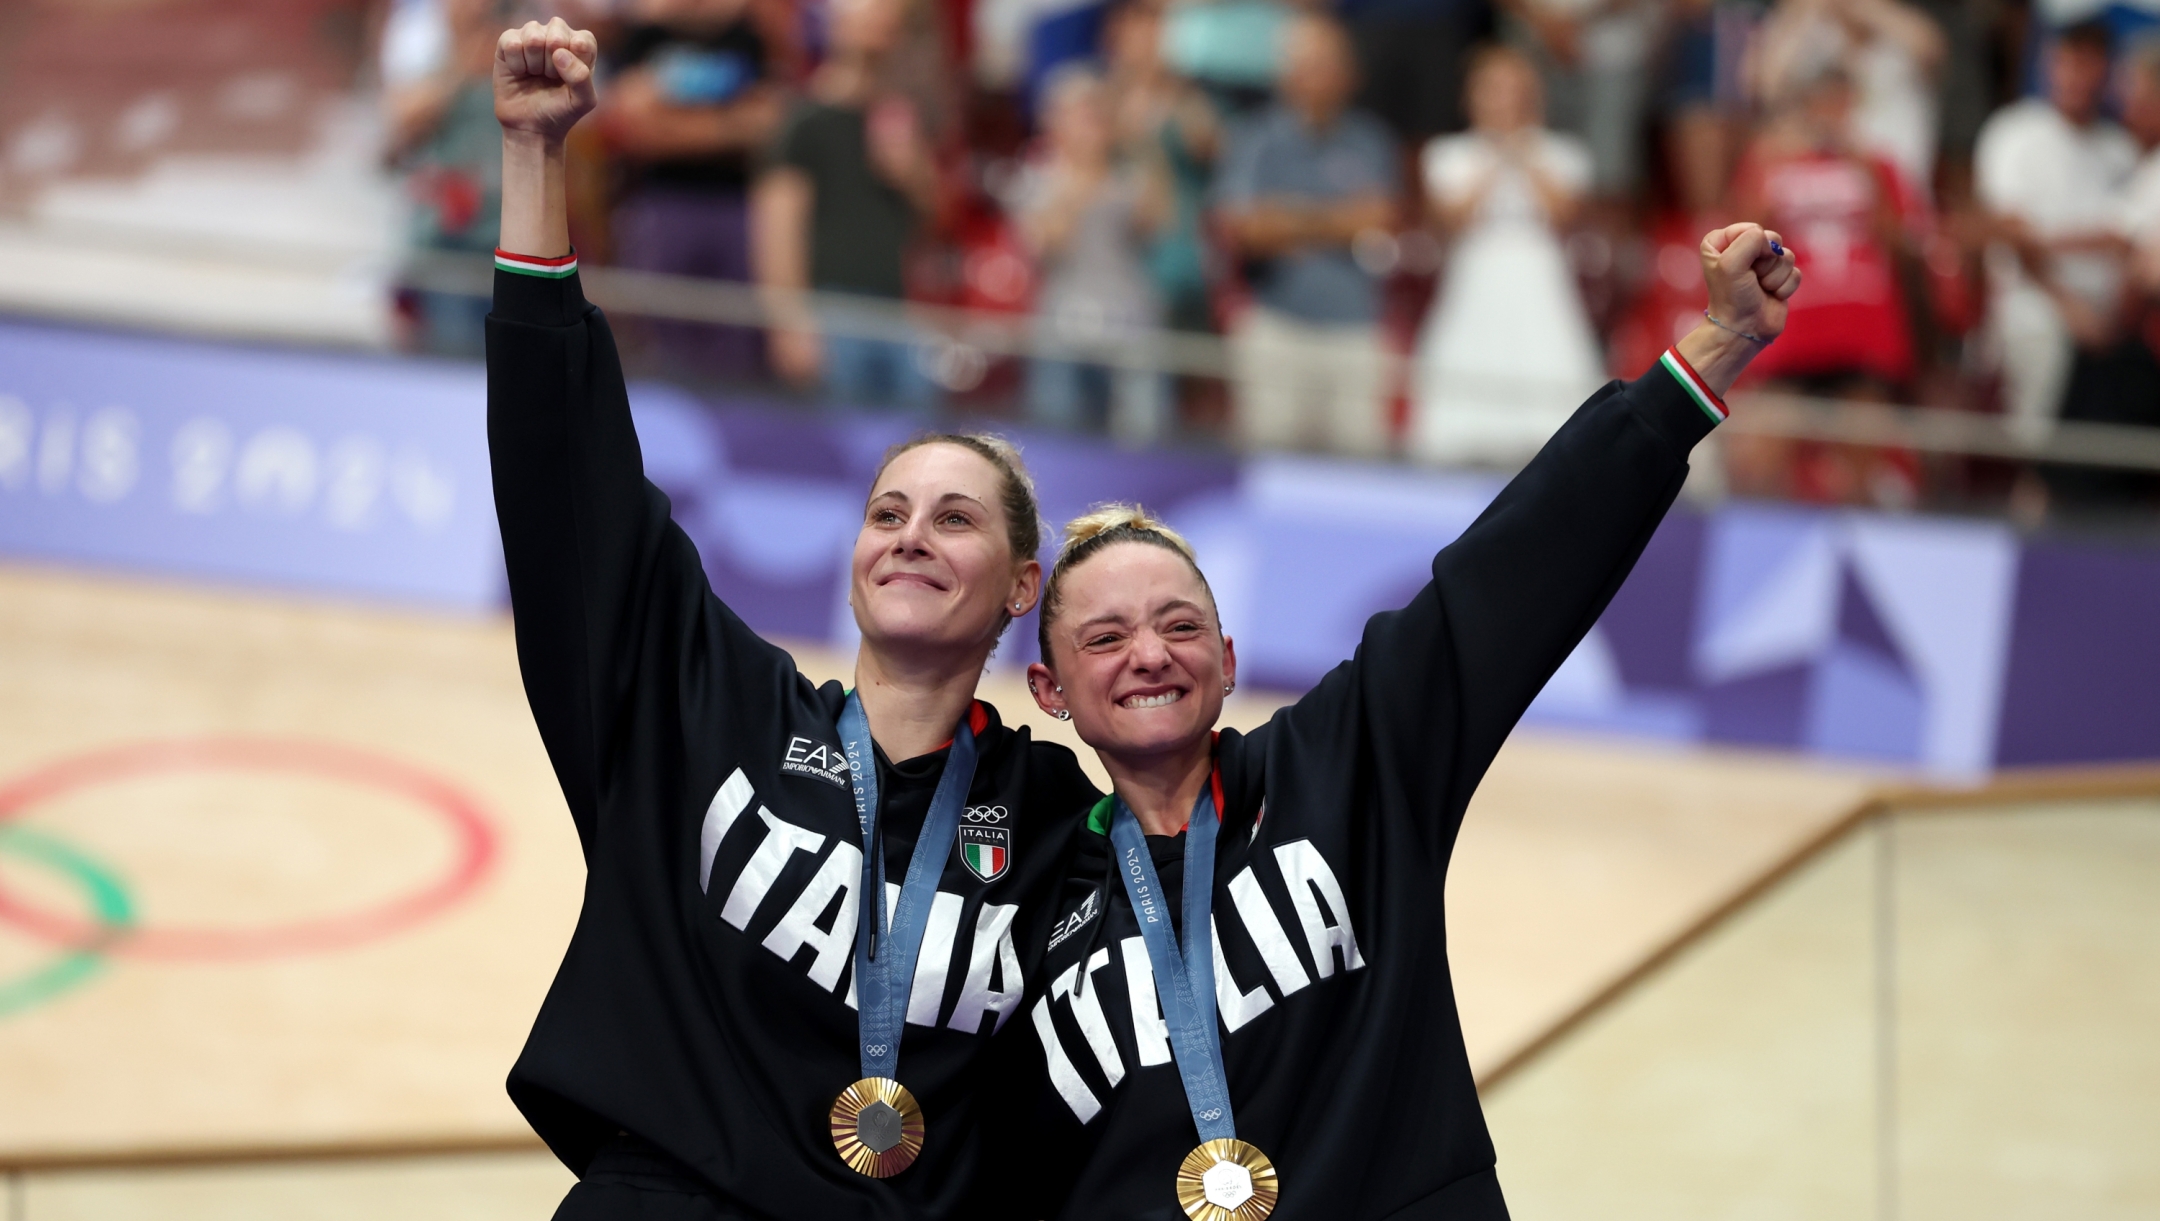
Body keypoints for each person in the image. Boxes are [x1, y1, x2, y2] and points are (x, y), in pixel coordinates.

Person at [974, 221, 1799, 1219]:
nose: (1150, 653)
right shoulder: (1016, 912)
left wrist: (1716, 342)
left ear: (1228, 663)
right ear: (1051, 691)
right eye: (1105, 638)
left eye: (1180, 623)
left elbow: (1518, 566)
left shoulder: (1347, 762)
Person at [486, 20, 1101, 1218]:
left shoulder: (1061, 830)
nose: (912, 532)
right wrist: (534, 159)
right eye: (889, 510)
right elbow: (570, 478)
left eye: (957, 519)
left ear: (1024, 588)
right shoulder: (718, 708)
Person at [1216, 12, 1401, 457]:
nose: (1314, 77)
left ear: (1348, 74)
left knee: (1362, 467)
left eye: (1326, 65)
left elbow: (1380, 220)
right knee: (1269, 462)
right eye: (1304, 65)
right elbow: (1245, 229)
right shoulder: (1255, 137)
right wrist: (1338, 222)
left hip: (1356, 328)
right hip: (1276, 323)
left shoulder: (1372, 141)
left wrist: (1290, 219)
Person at [1411, 45, 1604, 465]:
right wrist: (1496, 154)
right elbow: (1454, 219)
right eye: (1493, 89)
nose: (1504, 100)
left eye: (1515, 90)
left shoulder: (1562, 153)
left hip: (1541, 282)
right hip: (1474, 278)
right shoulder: (1447, 154)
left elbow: (1562, 215)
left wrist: (1523, 150)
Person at [751, 0, 945, 410]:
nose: (882, 28)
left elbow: (934, 223)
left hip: (897, 309)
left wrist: (912, 174)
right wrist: (789, 323)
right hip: (830, 311)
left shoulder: (899, 123)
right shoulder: (804, 120)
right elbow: (778, 227)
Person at [1973, 19, 2139, 446]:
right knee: (2042, 446)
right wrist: (2071, 308)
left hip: (2113, 323)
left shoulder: (2120, 148)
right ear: (2047, 64)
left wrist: (2111, 317)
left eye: (2088, 62)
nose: (2076, 75)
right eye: (2066, 60)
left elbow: (2132, 241)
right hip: (2038, 312)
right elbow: (2012, 235)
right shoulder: (2014, 132)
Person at [599, 0, 783, 381]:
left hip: (737, 209)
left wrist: (672, 123)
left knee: (737, 344)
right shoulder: (645, 37)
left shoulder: (748, 37)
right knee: (659, 338)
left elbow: (768, 124)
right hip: (661, 205)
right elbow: (634, 129)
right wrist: (730, 126)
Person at [1010, 64, 1173, 443]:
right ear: (1056, 123)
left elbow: (1158, 222)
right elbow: (1048, 241)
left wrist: (1142, 144)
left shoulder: (1128, 176)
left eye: (1098, 114)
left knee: (1143, 435)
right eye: (1082, 115)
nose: (1093, 125)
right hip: (1063, 322)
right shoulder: (1035, 179)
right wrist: (1080, 173)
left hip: (1129, 319)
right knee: (1057, 431)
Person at [1750, 0, 1945, 195]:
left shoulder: (1901, 26)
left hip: (1895, 153)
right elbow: (1765, 87)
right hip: (1827, 161)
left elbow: (1931, 52)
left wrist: (1864, 9)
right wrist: (1802, 14)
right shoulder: (1811, 26)